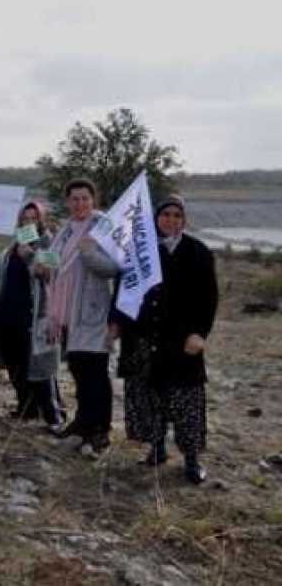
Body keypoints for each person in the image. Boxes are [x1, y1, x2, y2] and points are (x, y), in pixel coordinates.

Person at [115, 195, 218, 484]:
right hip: (144, 339)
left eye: (176, 215)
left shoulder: (198, 252)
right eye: (165, 215)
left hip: (182, 340)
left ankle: (191, 460)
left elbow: (209, 298)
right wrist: (118, 324)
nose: (171, 220)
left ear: (183, 219)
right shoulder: (140, 252)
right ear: (155, 219)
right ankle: (157, 449)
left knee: (185, 401)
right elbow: (124, 292)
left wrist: (200, 333)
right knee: (149, 398)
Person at [46, 178, 120, 455]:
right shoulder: (65, 230)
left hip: (92, 312)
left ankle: (100, 429)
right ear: (67, 202)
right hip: (67, 313)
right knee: (78, 369)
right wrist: (38, 262)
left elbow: (114, 268)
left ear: (94, 200)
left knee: (96, 373)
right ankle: (82, 422)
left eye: (84, 198)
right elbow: (55, 260)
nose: (79, 204)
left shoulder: (103, 227)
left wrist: (89, 252)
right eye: (74, 199)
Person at [0, 201, 64, 431]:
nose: (29, 222)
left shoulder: (49, 242)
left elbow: (52, 273)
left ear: (41, 220)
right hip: (8, 314)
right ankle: (26, 408)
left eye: (34, 218)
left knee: (40, 368)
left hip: (34, 316)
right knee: (16, 365)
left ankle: (54, 416)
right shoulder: (15, 243)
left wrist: (30, 256)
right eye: (25, 218)